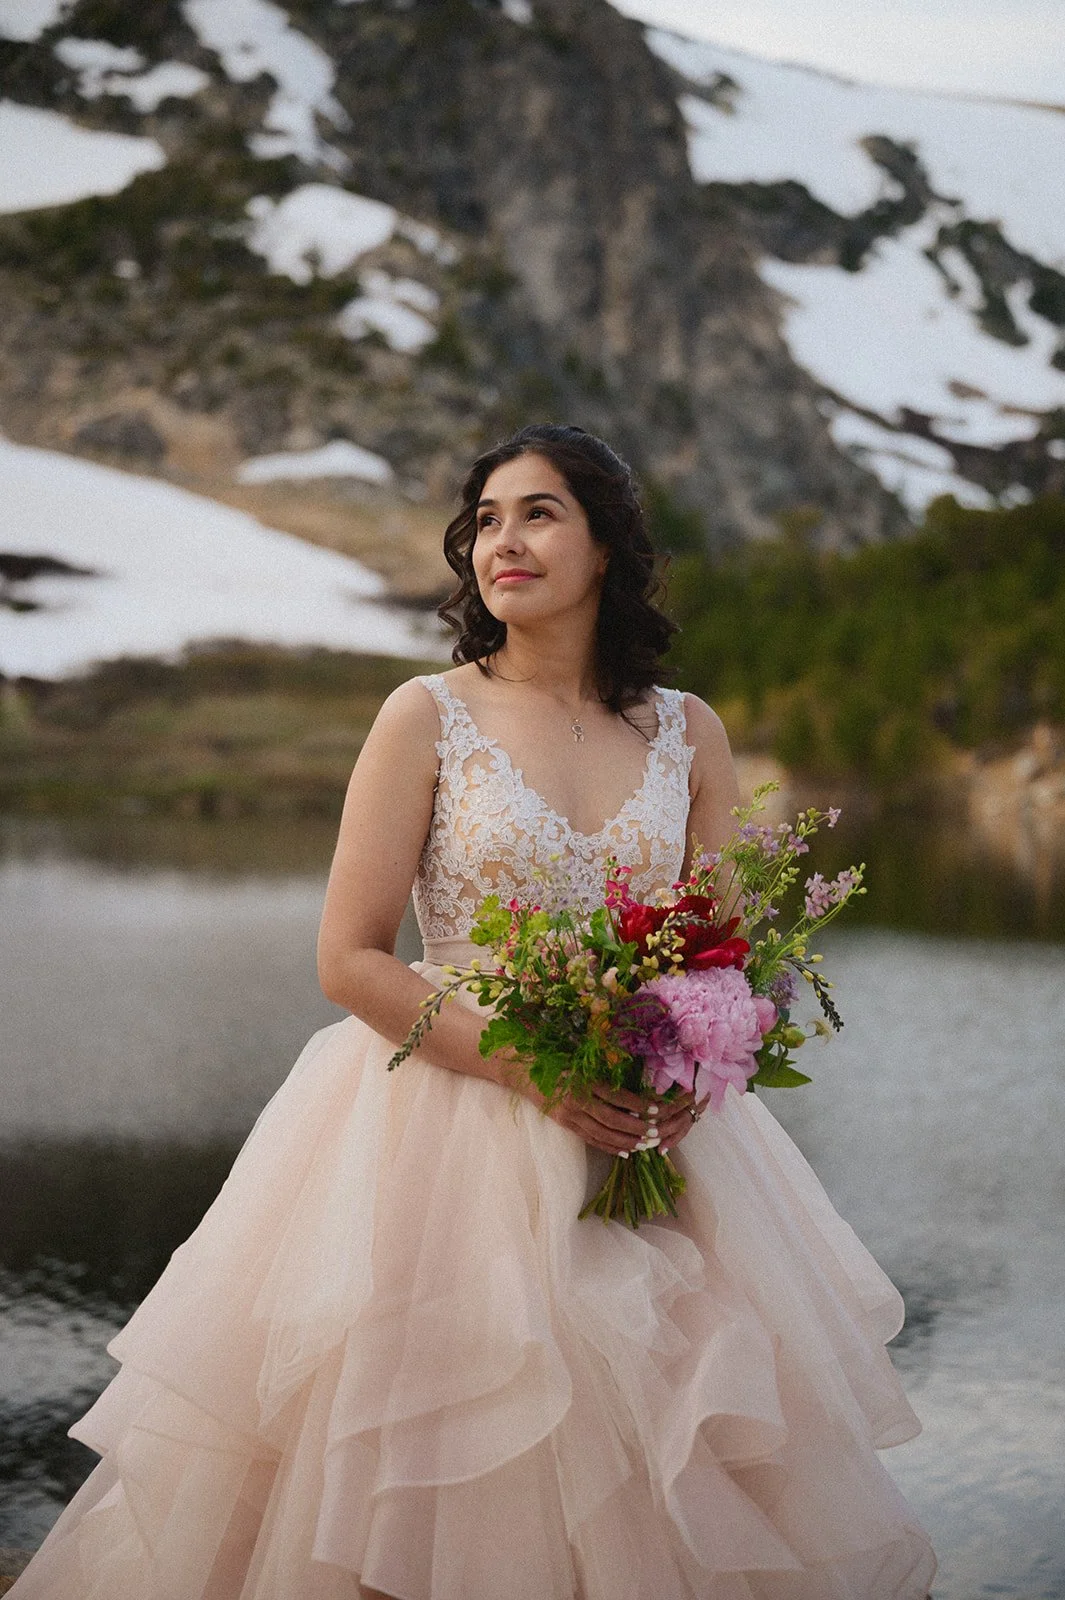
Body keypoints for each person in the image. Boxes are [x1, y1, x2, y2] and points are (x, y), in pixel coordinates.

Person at [11, 425, 936, 1599]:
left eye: (540, 512)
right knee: (423, 1481)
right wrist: (531, 1071)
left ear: (608, 547)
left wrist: (693, 1069)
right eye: (487, 519)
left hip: (643, 1140)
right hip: (440, 1131)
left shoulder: (687, 731)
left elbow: (720, 955)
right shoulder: (425, 716)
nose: (504, 539)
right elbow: (348, 959)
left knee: (664, 1472)